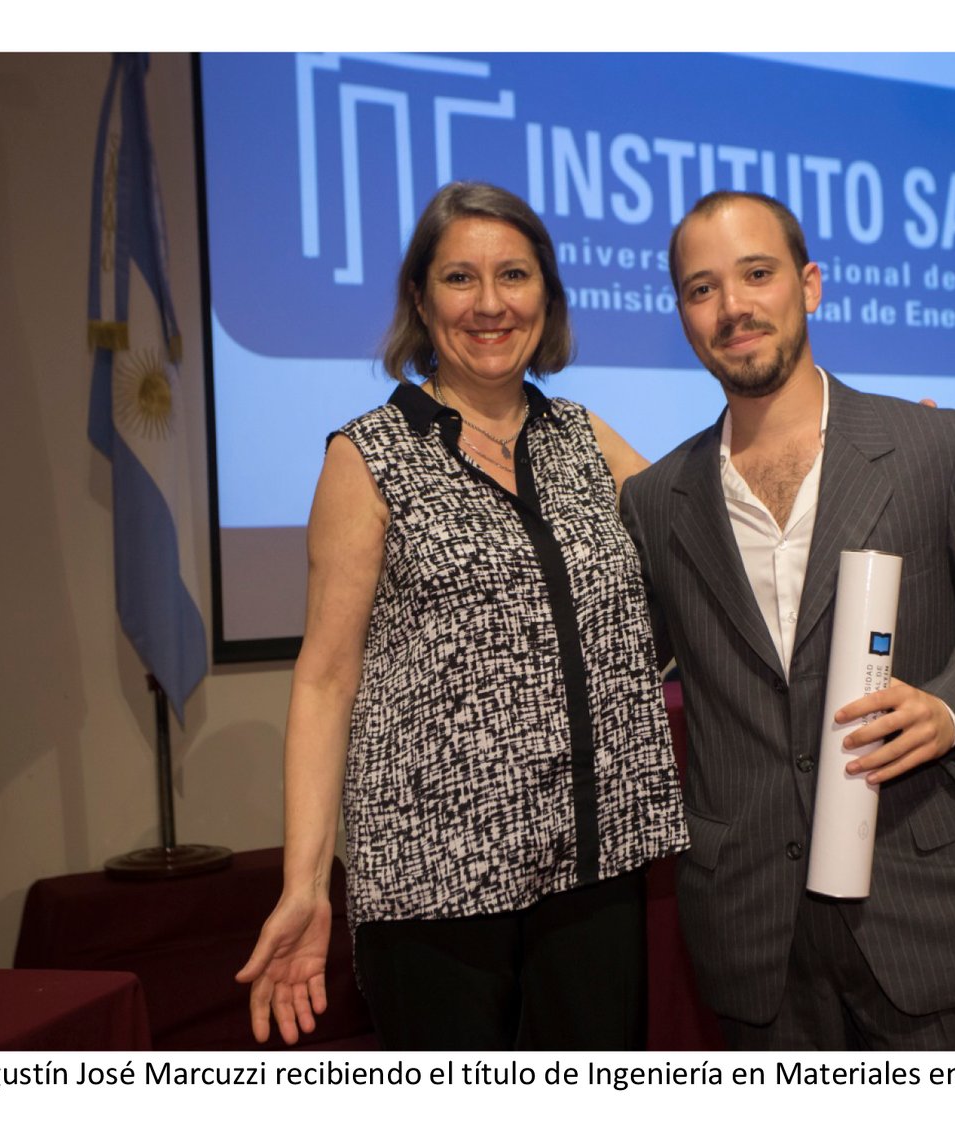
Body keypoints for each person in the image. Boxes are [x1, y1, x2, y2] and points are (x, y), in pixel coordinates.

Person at [619, 191, 955, 1050]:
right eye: (702, 288)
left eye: (757, 274)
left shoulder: (938, 447)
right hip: (756, 933)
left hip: (926, 908)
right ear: (682, 314)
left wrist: (949, 710)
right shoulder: (656, 502)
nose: (734, 307)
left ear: (811, 285)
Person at [235, 181, 686, 1049]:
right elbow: (326, 678)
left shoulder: (584, 438)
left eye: (514, 275)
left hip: (591, 871)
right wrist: (304, 884)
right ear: (419, 296)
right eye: (459, 278)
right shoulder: (366, 456)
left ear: (546, 298)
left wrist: (851, 442)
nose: (489, 303)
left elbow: (713, 519)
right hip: (432, 888)